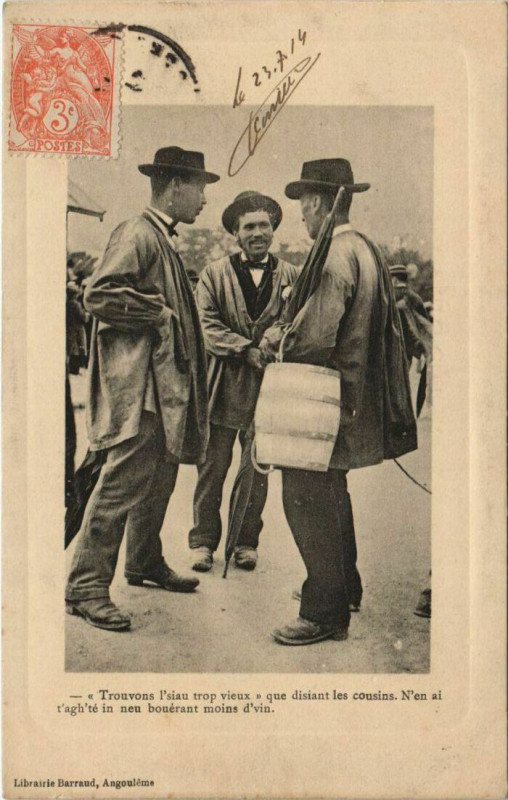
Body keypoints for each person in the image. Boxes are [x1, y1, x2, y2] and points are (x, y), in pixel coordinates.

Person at [261, 158, 416, 645]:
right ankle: (345, 587)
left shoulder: (331, 254)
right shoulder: (365, 247)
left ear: (315, 203)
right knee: (333, 491)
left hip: (322, 398)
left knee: (305, 496)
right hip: (352, 398)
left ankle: (323, 612)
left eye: (303, 207)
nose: (302, 216)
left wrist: (277, 339)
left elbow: (314, 337)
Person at [65, 146, 220, 631]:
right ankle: (86, 586)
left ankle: (143, 560)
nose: (204, 200)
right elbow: (99, 294)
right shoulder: (137, 232)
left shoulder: (158, 237)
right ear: (175, 187)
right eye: (199, 189)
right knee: (122, 483)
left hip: (162, 387)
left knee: (159, 477)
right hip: (140, 390)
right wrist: (157, 312)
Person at [189, 191, 299, 572]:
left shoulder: (290, 276)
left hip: (267, 388)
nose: (257, 233)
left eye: (263, 225)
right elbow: (206, 326)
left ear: (273, 230)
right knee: (212, 467)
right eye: (248, 227)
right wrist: (244, 348)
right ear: (235, 233)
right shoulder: (213, 274)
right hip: (223, 384)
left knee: (256, 468)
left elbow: (294, 319)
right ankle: (203, 541)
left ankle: (245, 541)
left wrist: (274, 338)